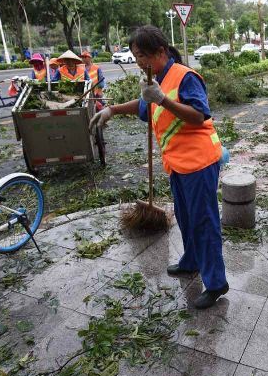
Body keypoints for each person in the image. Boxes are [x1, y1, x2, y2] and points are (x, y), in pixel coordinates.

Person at [89, 25, 229, 310]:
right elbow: (144, 106)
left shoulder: (185, 77)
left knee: (203, 222)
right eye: (135, 57)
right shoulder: (157, 79)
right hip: (178, 164)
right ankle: (191, 261)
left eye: (142, 56)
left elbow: (199, 115)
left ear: (161, 52)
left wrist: (163, 99)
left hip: (199, 162)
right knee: (186, 217)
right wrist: (113, 109)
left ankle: (216, 283)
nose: (139, 62)